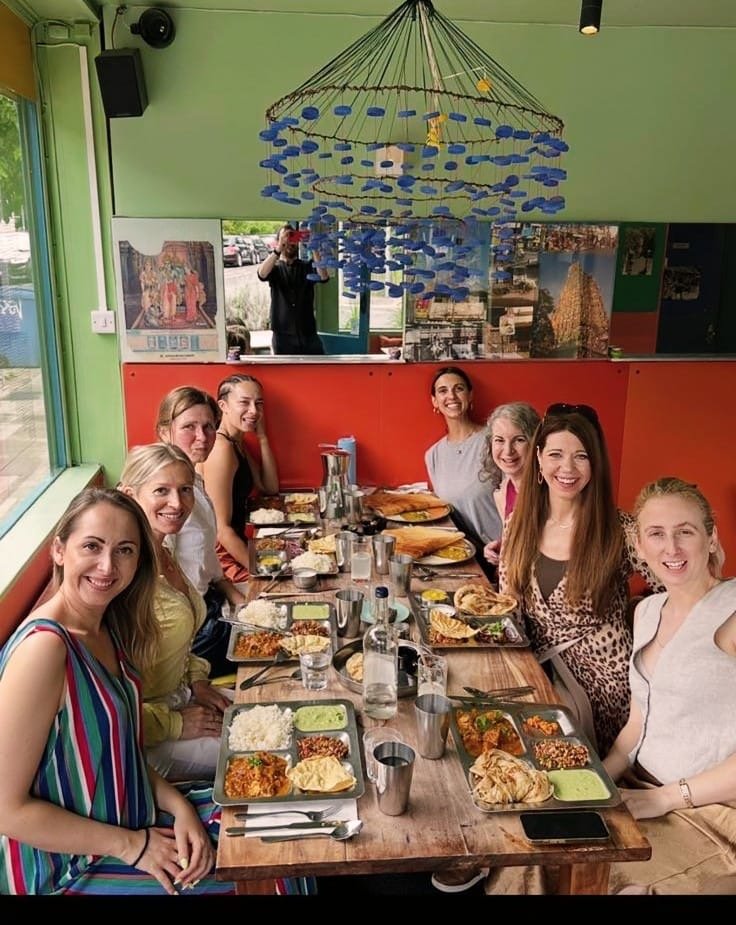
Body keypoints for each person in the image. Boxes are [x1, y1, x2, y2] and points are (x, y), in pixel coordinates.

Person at [0, 487, 234, 895]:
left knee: (267, 827)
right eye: (92, 546)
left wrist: (179, 806)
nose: (107, 566)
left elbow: (116, 756)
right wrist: (132, 846)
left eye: (124, 550)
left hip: (131, 818)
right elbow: (7, 811)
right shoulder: (45, 649)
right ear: (59, 550)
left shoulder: (108, 627)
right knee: (251, 872)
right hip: (67, 865)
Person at [499, 403, 659, 756]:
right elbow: (508, 604)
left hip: (603, 688)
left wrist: (645, 620)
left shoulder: (621, 530)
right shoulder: (518, 523)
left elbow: (676, 587)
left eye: (581, 456)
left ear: (595, 464)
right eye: (556, 454)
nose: (567, 468)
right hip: (534, 671)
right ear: (538, 458)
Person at [602, 477, 736, 895]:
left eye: (686, 532)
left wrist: (665, 798)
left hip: (710, 815)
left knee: (612, 883)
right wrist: (597, 781)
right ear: (639, 546)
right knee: (538, 854)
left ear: (711, 538)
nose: (671, 548)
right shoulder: (647, 611)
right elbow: (636, 728)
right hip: (640, 790)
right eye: (657, 534)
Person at [119, 443, 231, 782]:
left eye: (185, 489)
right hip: (146, 736)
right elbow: (110, 704)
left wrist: (197, 681)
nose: (177, 503)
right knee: (261, 748)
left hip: (183, 699)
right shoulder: (123, 576)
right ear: (130, 495)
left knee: (277, 714)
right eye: (161, 491)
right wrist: (176, 723)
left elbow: (181, 643)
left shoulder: (164, 549)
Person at [156, 386, 247, 677]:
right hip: (193, 633)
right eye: (189, 427)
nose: (202, 437)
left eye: (209, 426)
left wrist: (239, 599)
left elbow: (207, 561)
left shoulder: (194, 482)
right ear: (164, 432)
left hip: (211, 606)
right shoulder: (162, 498)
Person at [200, 374, 279, 583]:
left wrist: (262, 437)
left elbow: (269, 487)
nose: (254, 411)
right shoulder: (221, 449)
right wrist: (260, 571)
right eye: (244, 403)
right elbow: (221, 530)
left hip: (236, 545)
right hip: (223, 559)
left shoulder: (235, 442)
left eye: (259, 404)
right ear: (223, 406)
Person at [424, 366, 502, 558]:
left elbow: (519, 498)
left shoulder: (494, 441)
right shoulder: (433, 455)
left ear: (470, 395)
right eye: (443, 391)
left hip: (502, 552)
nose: (451, 396)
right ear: (435, 401)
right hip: (464, 555)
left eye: (458, 388)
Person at [479, 401, 541, 567]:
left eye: (519, 440)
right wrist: (501, 547)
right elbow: (520, 542)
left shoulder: (547, 492)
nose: (508, 451)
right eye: (499, 440)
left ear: (535, 443)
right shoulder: (505, 489)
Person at [257, 223, 329, 355]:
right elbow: (261, 274)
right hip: (282, 336)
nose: (290, 242)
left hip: (308, 334)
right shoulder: (275, 268)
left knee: (317, 367)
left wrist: (313, 247)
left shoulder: (307, 267)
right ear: (279, 240)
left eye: (293, 237)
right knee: (285, 369)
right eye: (286, 237)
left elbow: (323, 276)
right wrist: (279, 248)